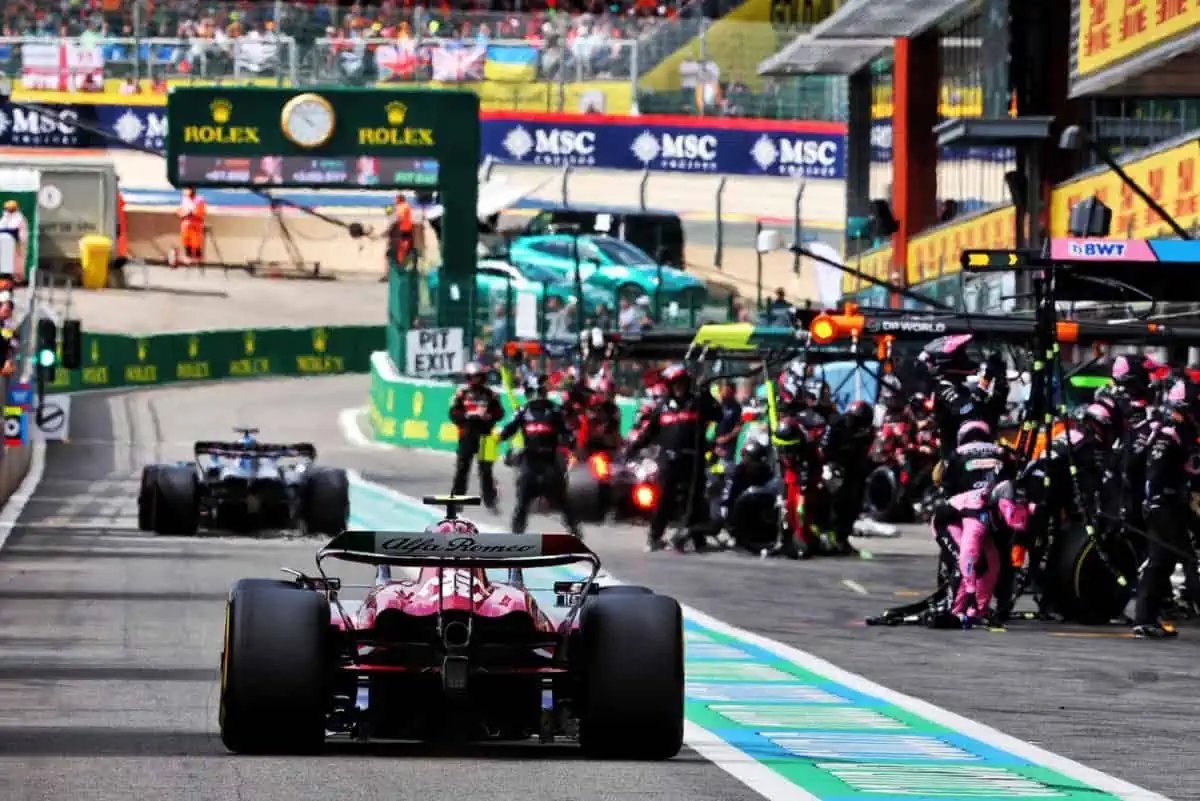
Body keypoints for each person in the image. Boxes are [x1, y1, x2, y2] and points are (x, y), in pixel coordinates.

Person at [629, 363, 723, 552]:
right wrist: (634, 447)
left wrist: (706, 395)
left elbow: (717, 414)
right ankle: (655, 537)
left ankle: (697, 539)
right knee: (664, 499)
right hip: (669, 460)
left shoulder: (697, 403)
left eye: (681, 383)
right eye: (675, 383)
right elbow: (649, 432)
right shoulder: (662, 407)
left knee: (696, 500)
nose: (679, 387)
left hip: (693, 460)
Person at [1132, 377, 1199, 639]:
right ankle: (1145, 617)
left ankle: (1146, 618)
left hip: (1175, 504)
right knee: (1183, 559)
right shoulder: (1169, 434)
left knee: (1163, 561)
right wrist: (1155, 502)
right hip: (1164, 506)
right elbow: (1154, 472)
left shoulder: (1184, 432)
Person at [934, 420, 1018, 627]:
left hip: (968, 512)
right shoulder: (1002, 452)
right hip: (984, 513)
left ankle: (962, 605)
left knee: (965, 557)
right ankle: (986, 606)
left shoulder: (955, 455)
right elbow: (1012, 482)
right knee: (995, 558)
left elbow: (946, 489)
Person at [498, 373, 583, 557]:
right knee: (523, 499)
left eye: (540, 391)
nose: (537, 395)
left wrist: (571, 447)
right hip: (530, 459)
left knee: (562, 498)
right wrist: (501, 437)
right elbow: (509, 428)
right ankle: (515, 537)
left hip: (549, 458)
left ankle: (575, 532)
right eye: (534, 392)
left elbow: (567, 432)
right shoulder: (523, 411)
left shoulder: (555, 410)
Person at [821, 400, 876, 555]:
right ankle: (828, 535)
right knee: (835, 501)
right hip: (835, 467)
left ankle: (842, 537)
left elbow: (866, 452)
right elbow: (824, 448)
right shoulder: (837, 424)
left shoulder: (868, 431)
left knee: (854, 502)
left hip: (854, 470)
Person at [449, 362, 504, 512]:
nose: (476, 380)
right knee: (462, 469)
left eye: (478, 377)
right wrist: (468, 415)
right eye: (473, 377)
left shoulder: (491, 394)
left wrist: (489, 416)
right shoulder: (461, 394)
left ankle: (490, 501)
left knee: (486, 470)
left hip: (486, 436)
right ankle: (457, 501)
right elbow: (453, 414)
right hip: (467, 435)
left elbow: (500, 413)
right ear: (468, 378)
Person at [718, 431, 775, 550]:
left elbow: (774, 489)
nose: (757, 464)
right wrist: (727, 520)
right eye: (754, 460)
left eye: (759, 460)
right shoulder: (737, 473)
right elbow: (727, 497)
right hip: (738, 510)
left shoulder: (766, 472)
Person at [175, 188, 207, 267]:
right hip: (186, 223)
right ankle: (188, 255)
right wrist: (180, 212)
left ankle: (197, 255)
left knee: (195, 239)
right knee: (185, 238)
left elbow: (200, 212)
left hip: (195, 223)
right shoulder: (185, 200)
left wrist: (190, 213)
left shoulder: (199, 200)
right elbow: (181, 210)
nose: (184, 191)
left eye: (186, 190)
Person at [0, 199, 29, 283]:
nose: (6, 211)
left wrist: (13, 235)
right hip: (4, 245)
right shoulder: (4, 219)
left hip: (16, 245)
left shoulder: (19, 219)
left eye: (9, 209)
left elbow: (21, 233)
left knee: (17, 264)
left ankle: (18, 280)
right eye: (6, 209)